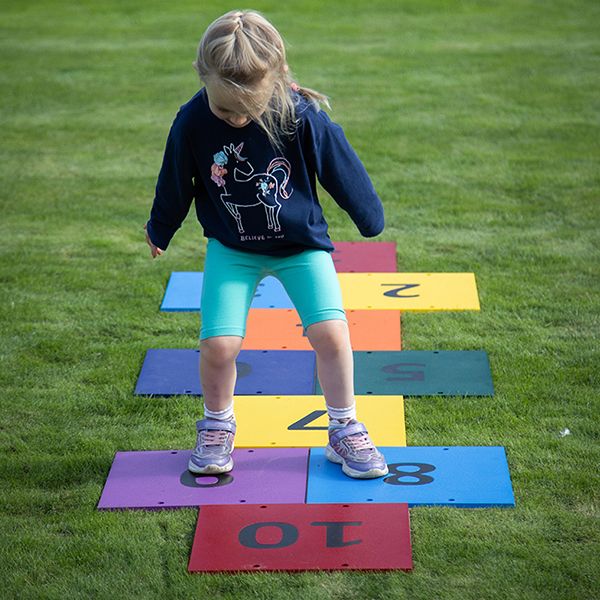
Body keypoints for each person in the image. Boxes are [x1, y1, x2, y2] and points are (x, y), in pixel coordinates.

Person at [145, 9, 388, 479]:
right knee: (218, 344)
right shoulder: (192, 120)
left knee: (331, 335)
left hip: (300, 248)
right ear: (202, 77)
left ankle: (344, 427)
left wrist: (368, 218)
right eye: (224, 110)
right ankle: (217, 425)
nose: (235, 119)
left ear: (275, 79)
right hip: (232, 250)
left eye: (246, 111)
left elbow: (342, 168)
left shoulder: (300, 115)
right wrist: (161, 227)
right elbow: (175, 178)